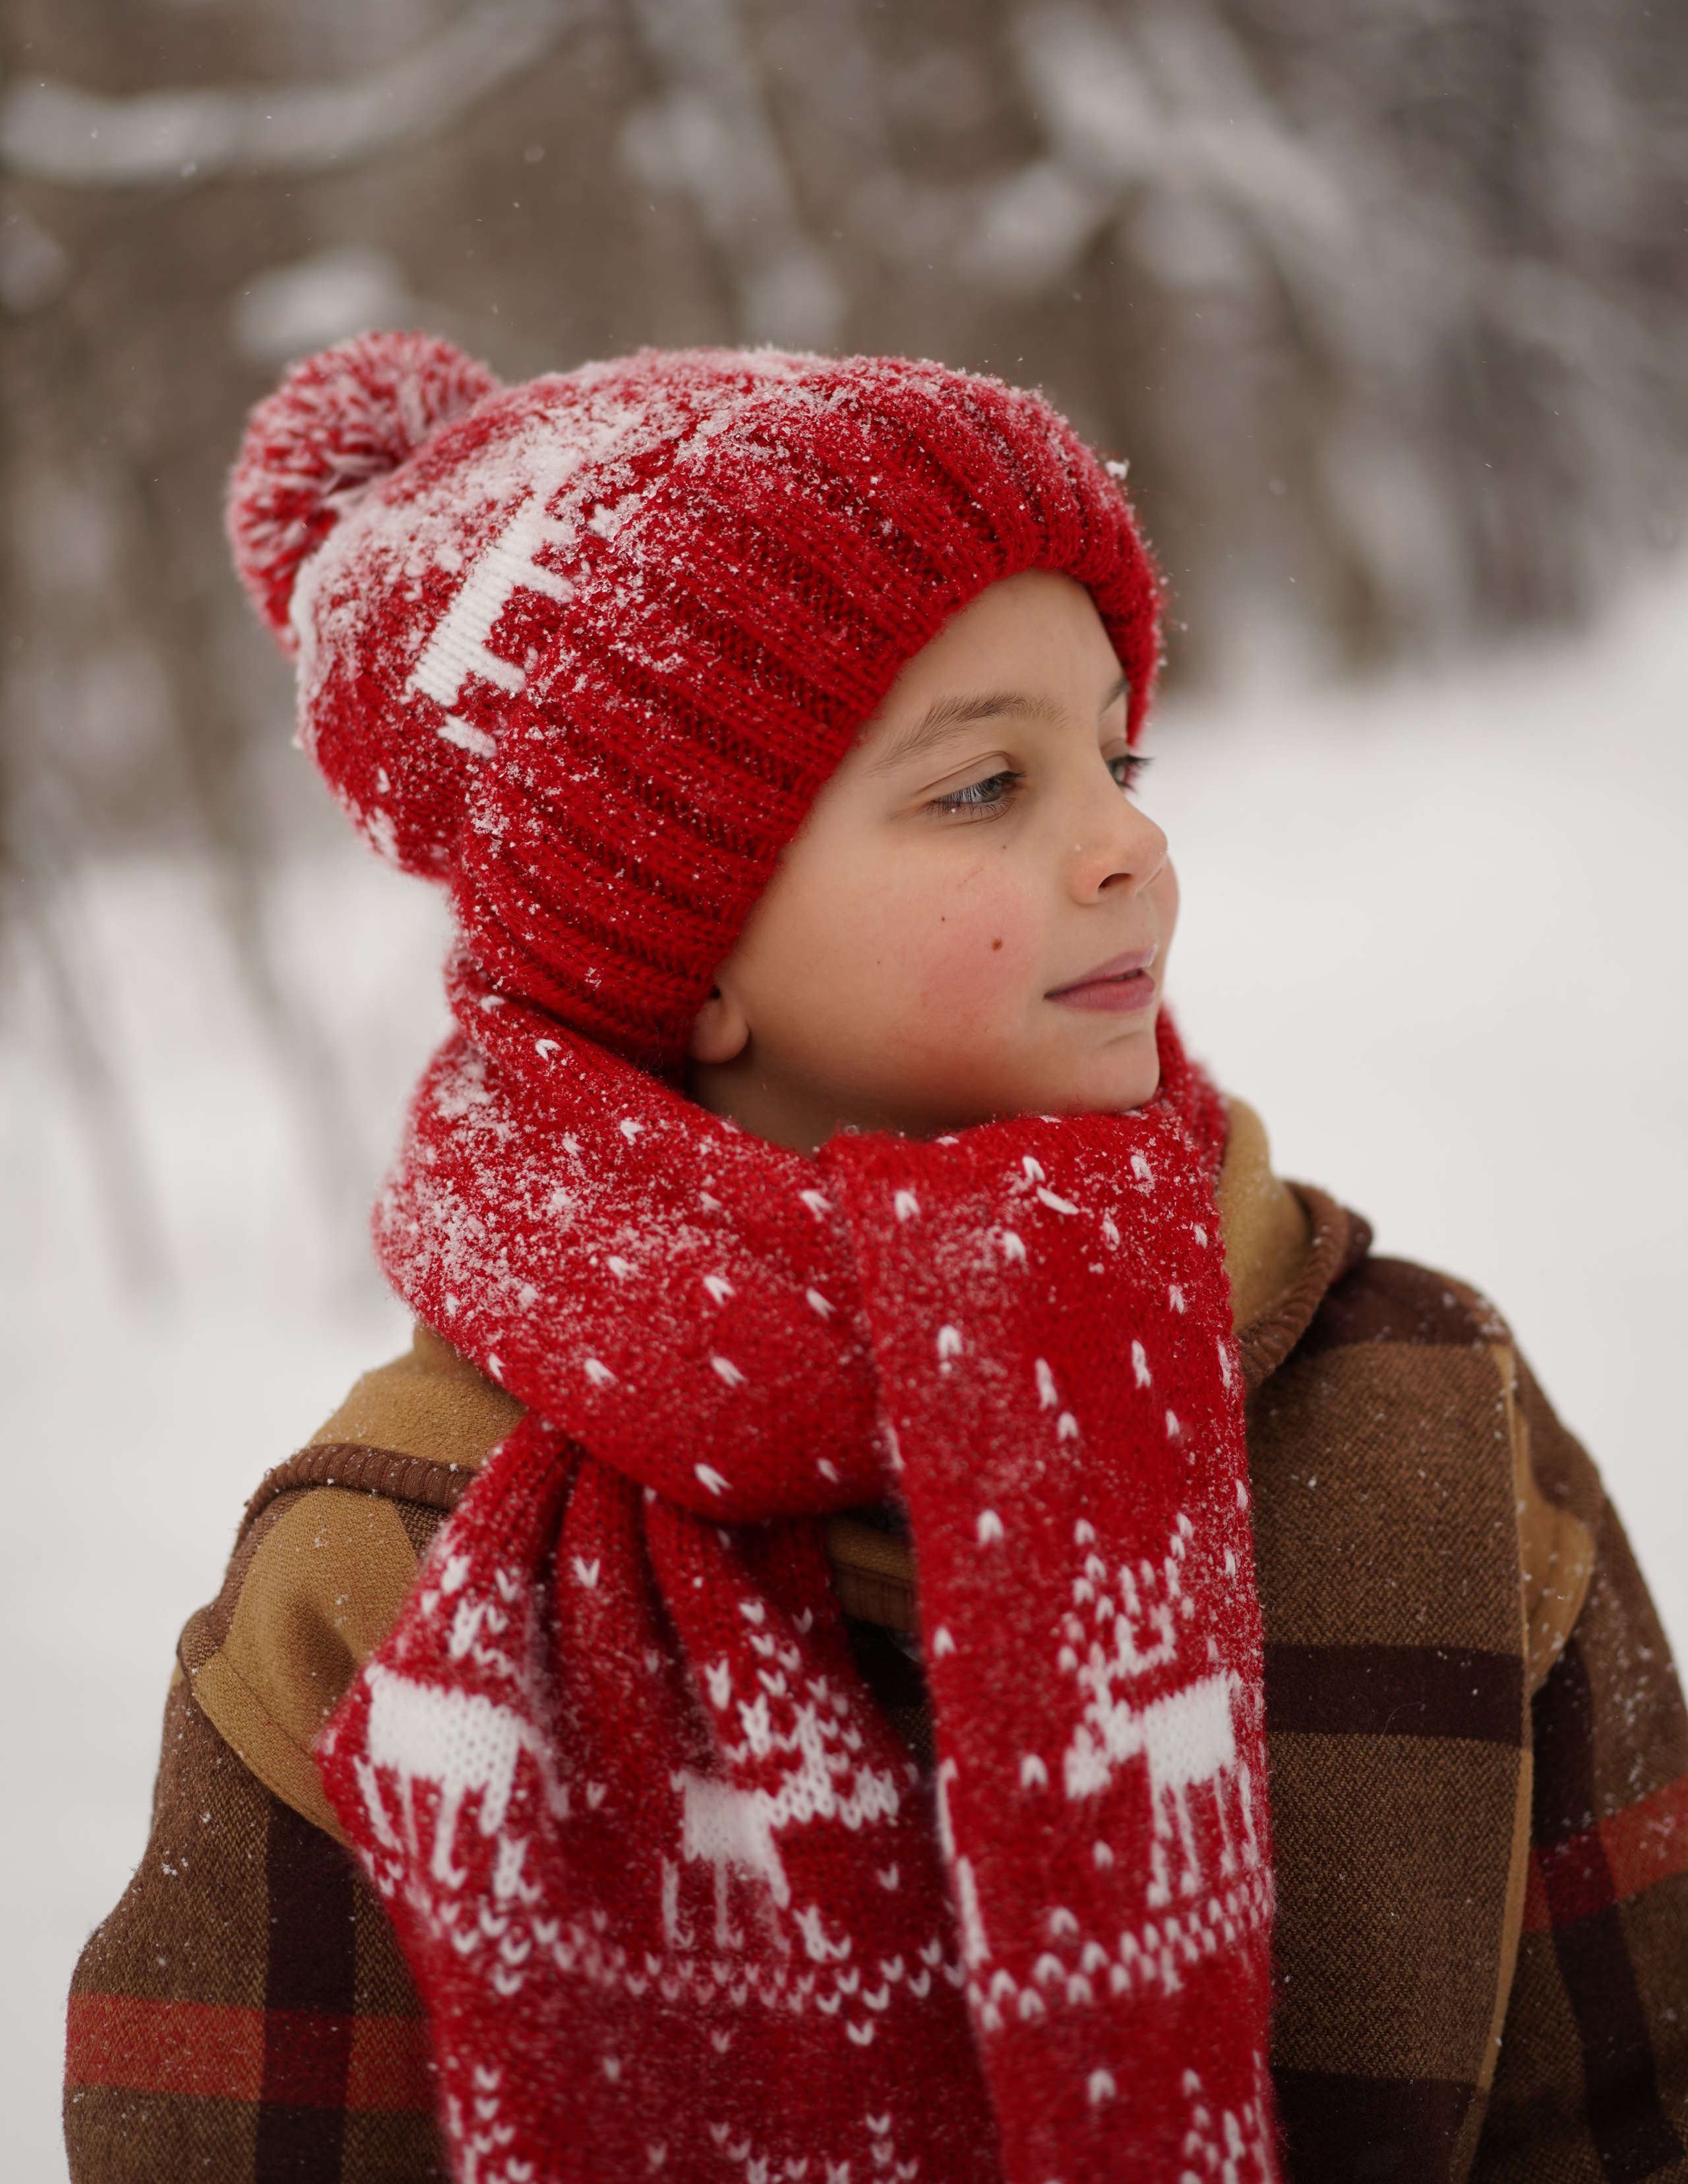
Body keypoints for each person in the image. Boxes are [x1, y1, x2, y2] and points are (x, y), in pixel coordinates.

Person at [64, 335, 1688, 2184]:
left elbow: (1634, 2103)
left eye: (1116, 747)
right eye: (984, 787)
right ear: (688, 952)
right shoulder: (391, 1567)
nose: (1130, 842)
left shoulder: (1422, 1434)